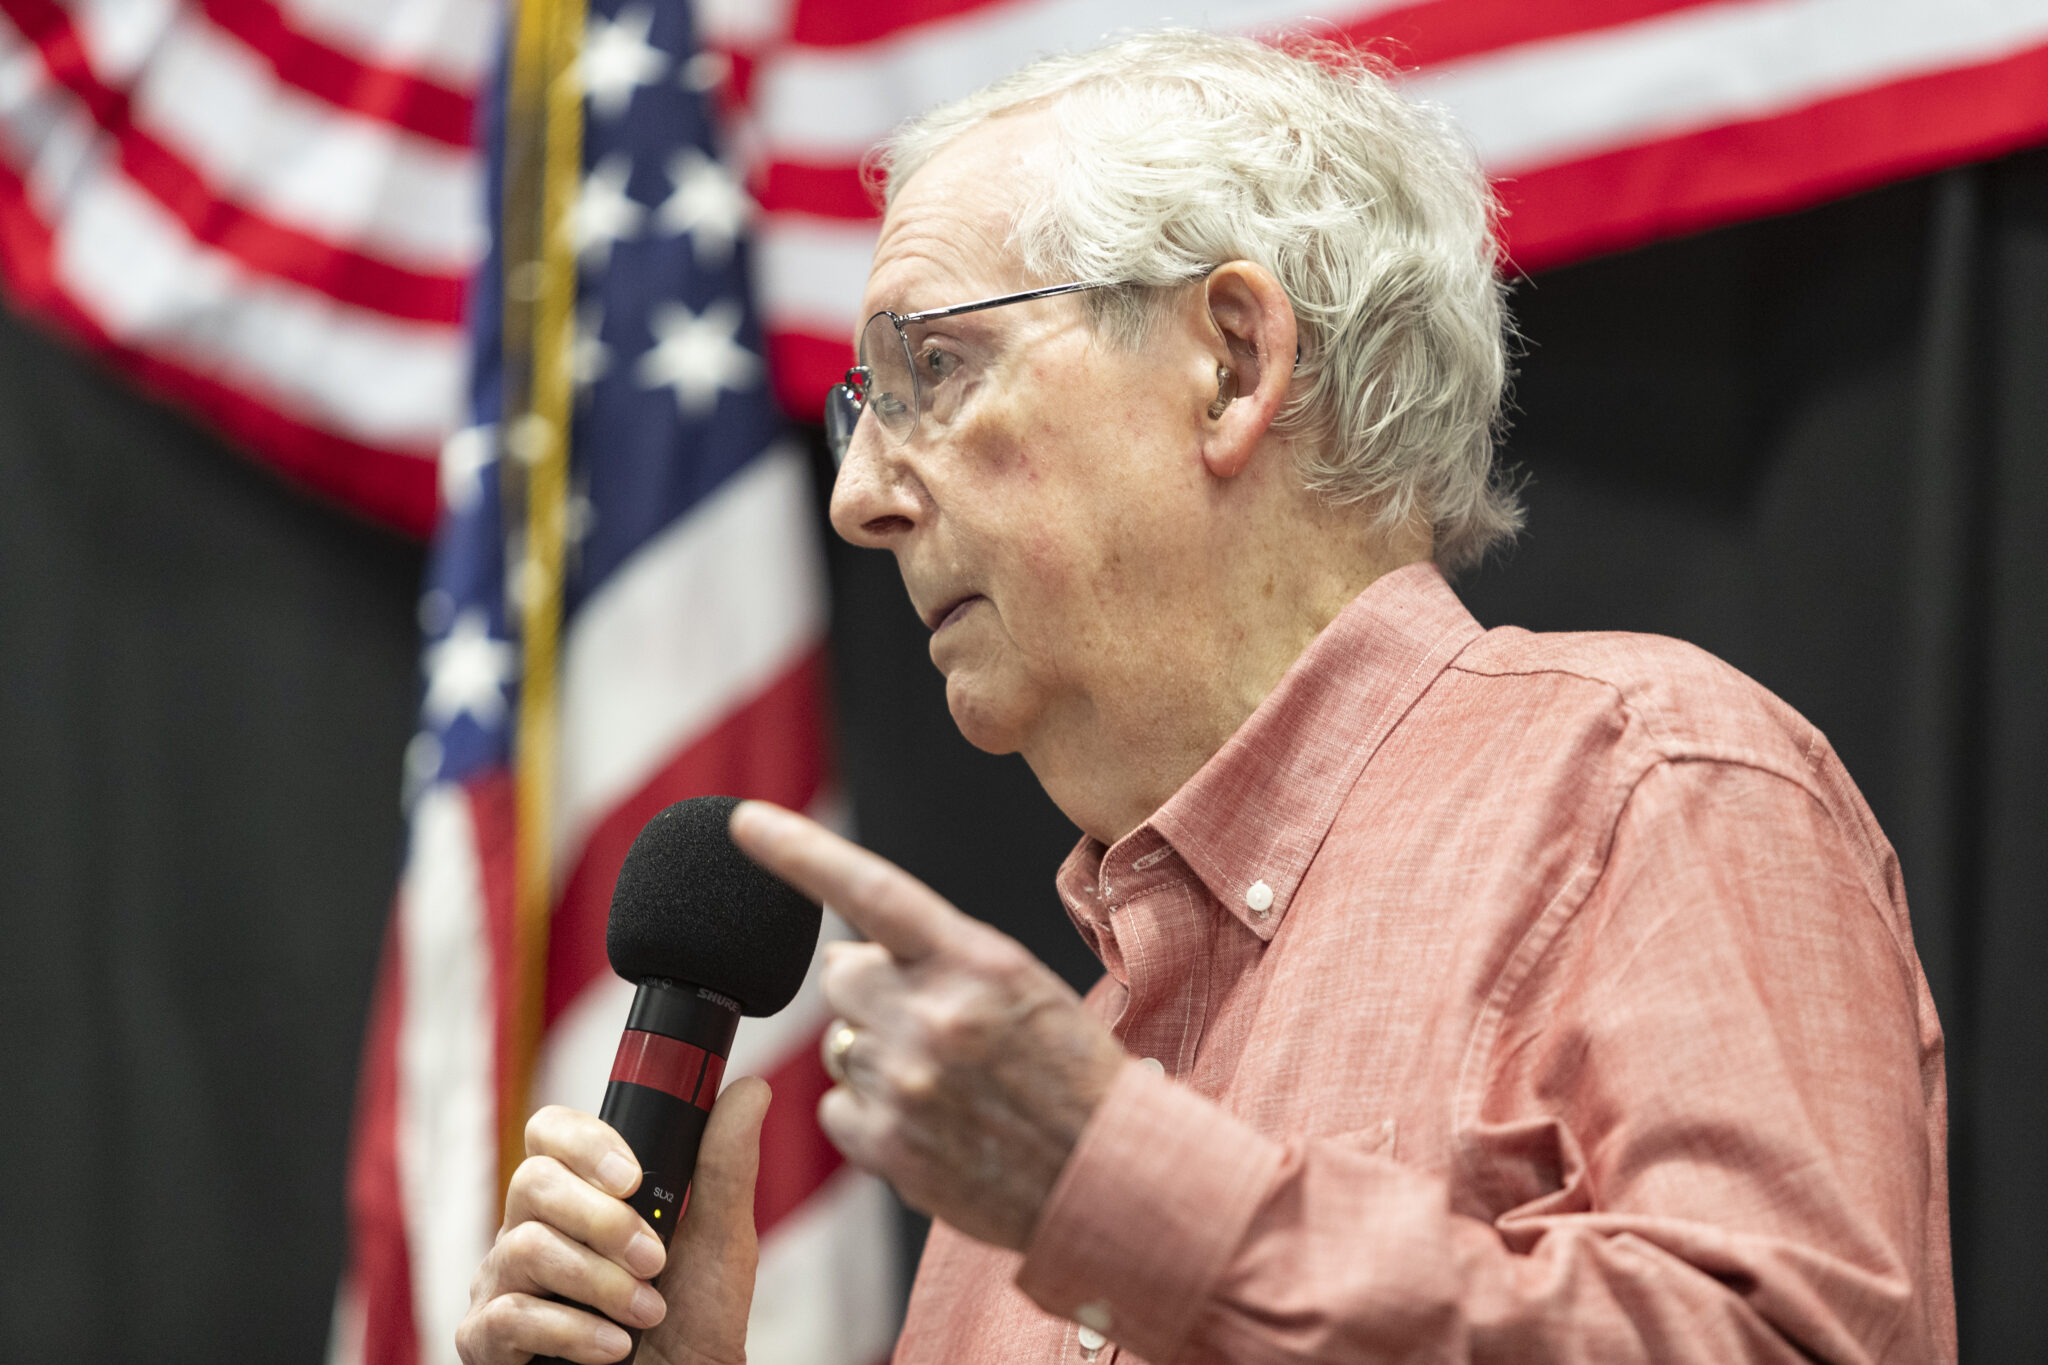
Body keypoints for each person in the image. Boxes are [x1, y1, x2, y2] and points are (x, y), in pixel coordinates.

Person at [458, 30, 1954, 1365]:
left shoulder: (1648, 786)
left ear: (1232, 365)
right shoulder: (1057, 1083)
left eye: (933, 368)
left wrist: (1121, 1193)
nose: (857, 495)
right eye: (864, 406)